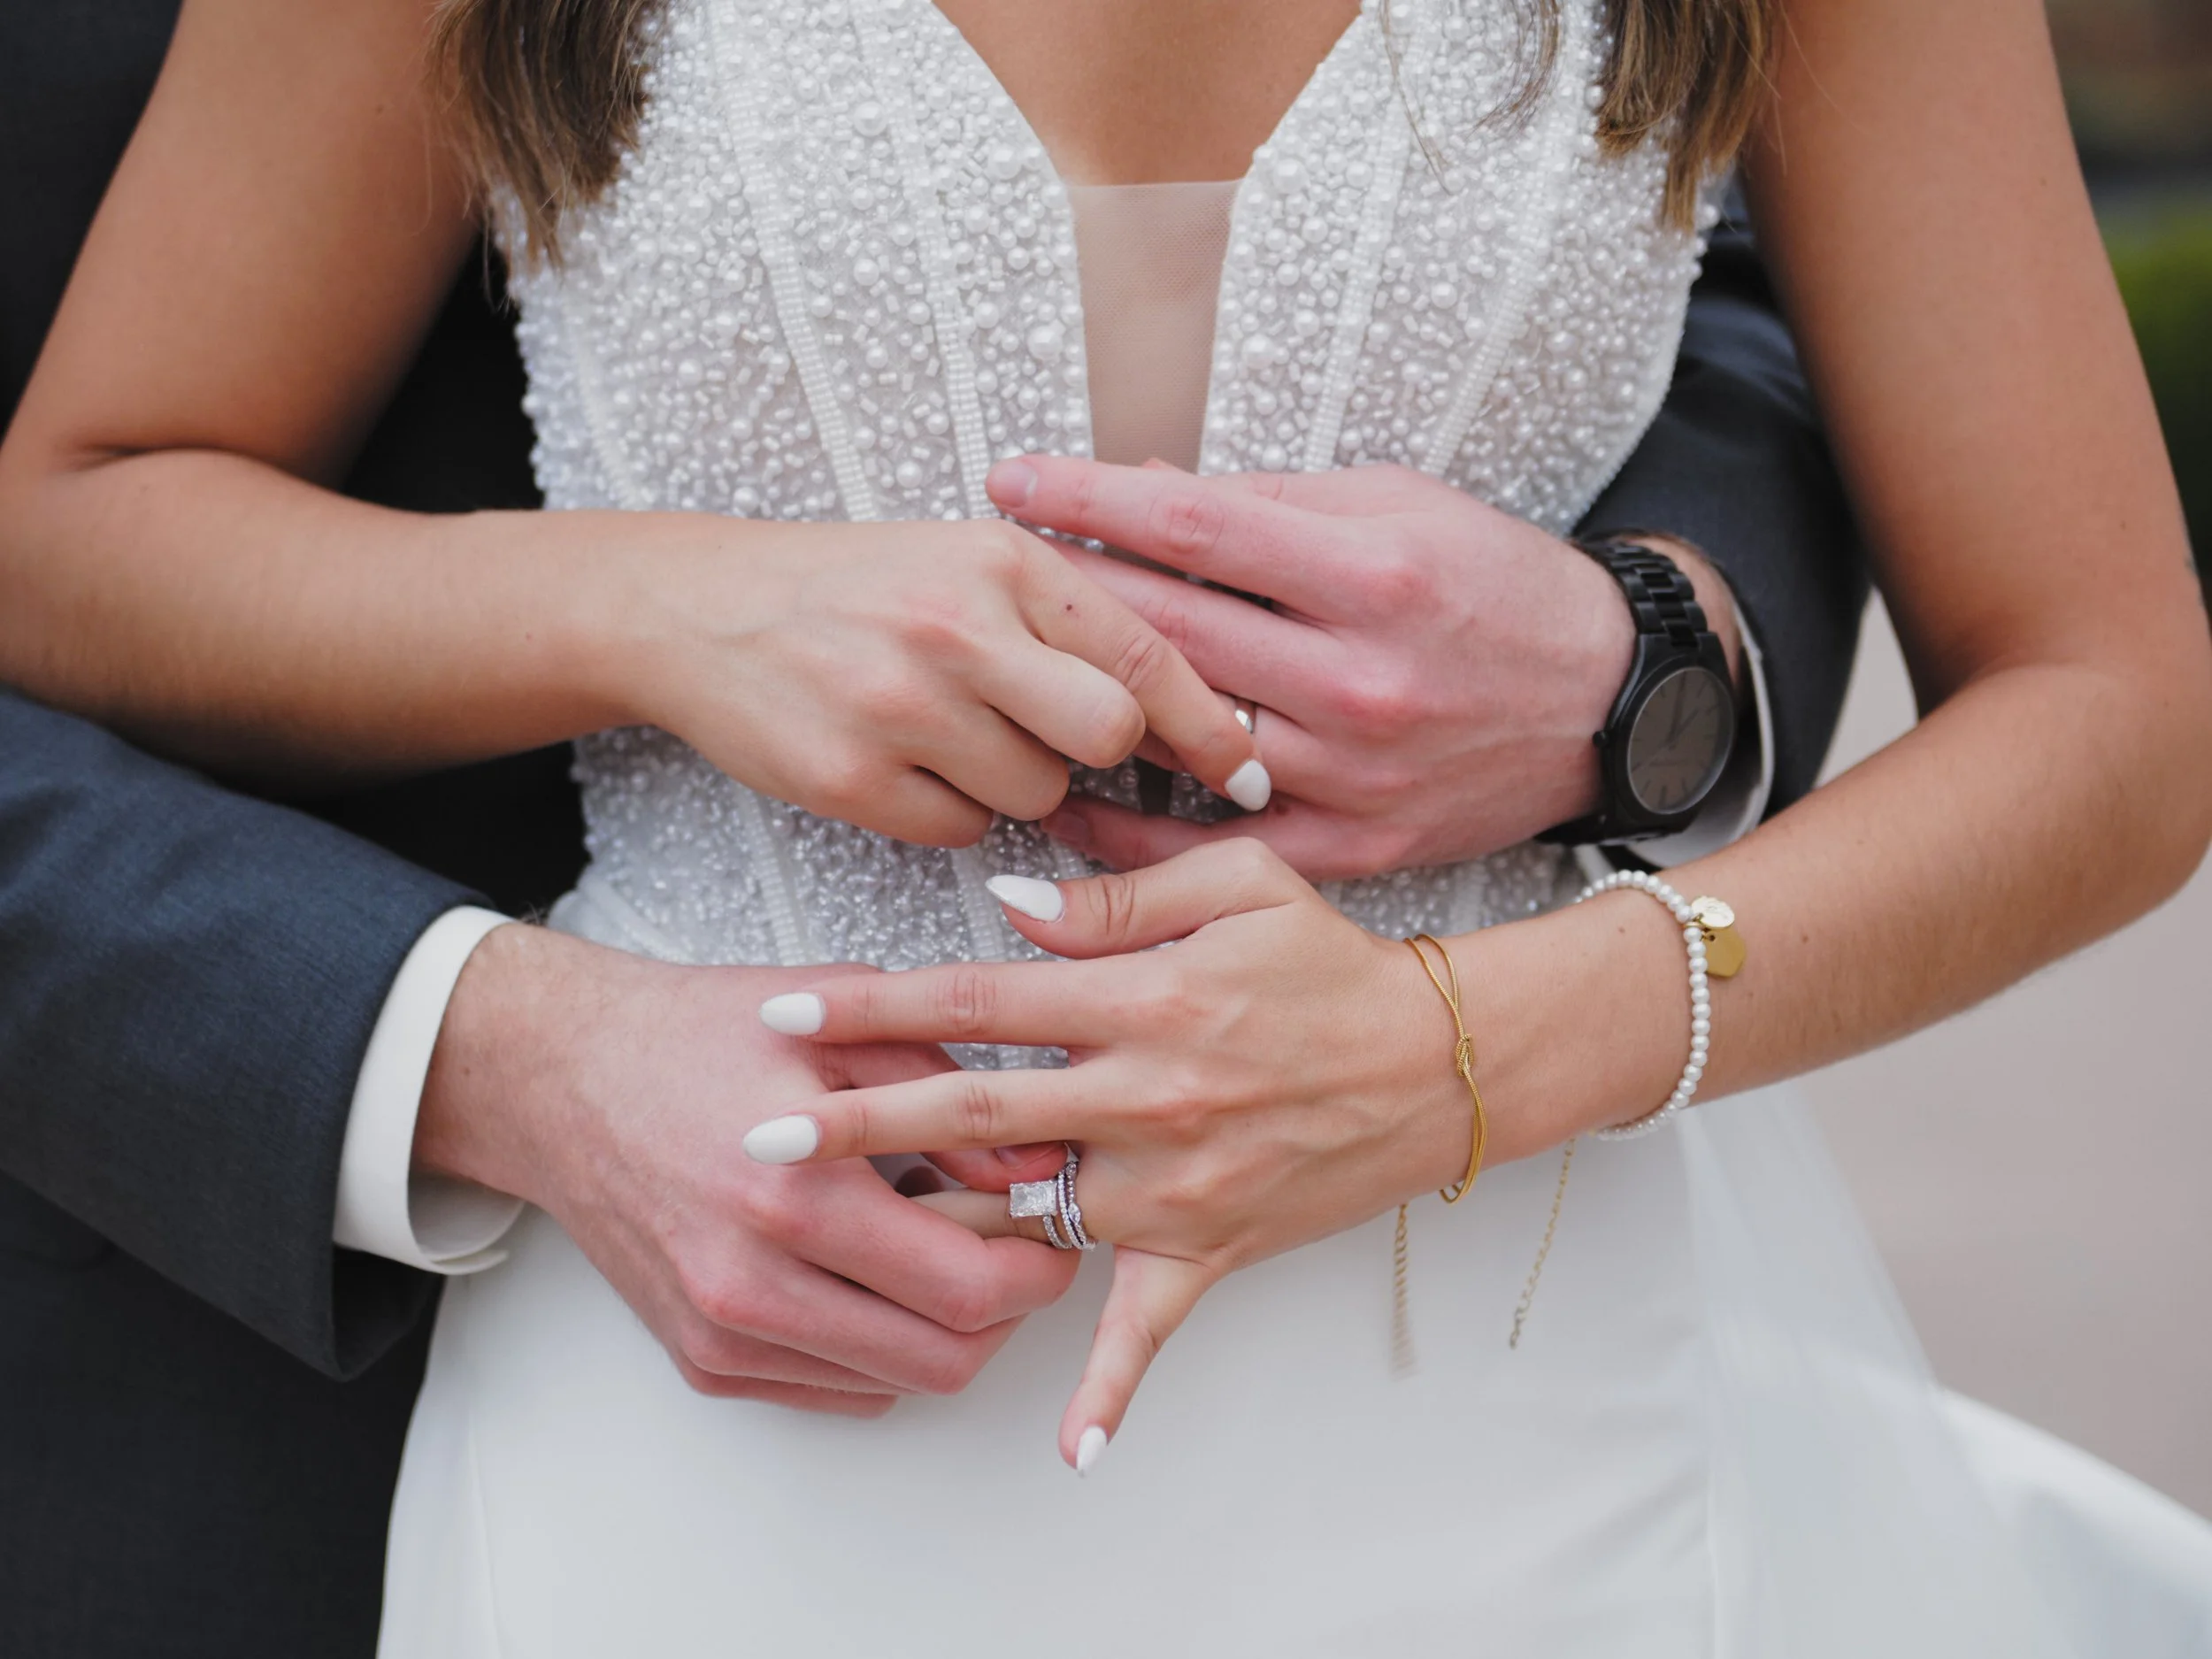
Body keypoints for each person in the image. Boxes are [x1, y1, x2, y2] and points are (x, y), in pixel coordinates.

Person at [4, 1, 2206, 1656]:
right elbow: (75, 527)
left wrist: (1470, 1038)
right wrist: (654, 600)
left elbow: (2113, 705)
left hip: (1506, 1398)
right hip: (728, 1367)